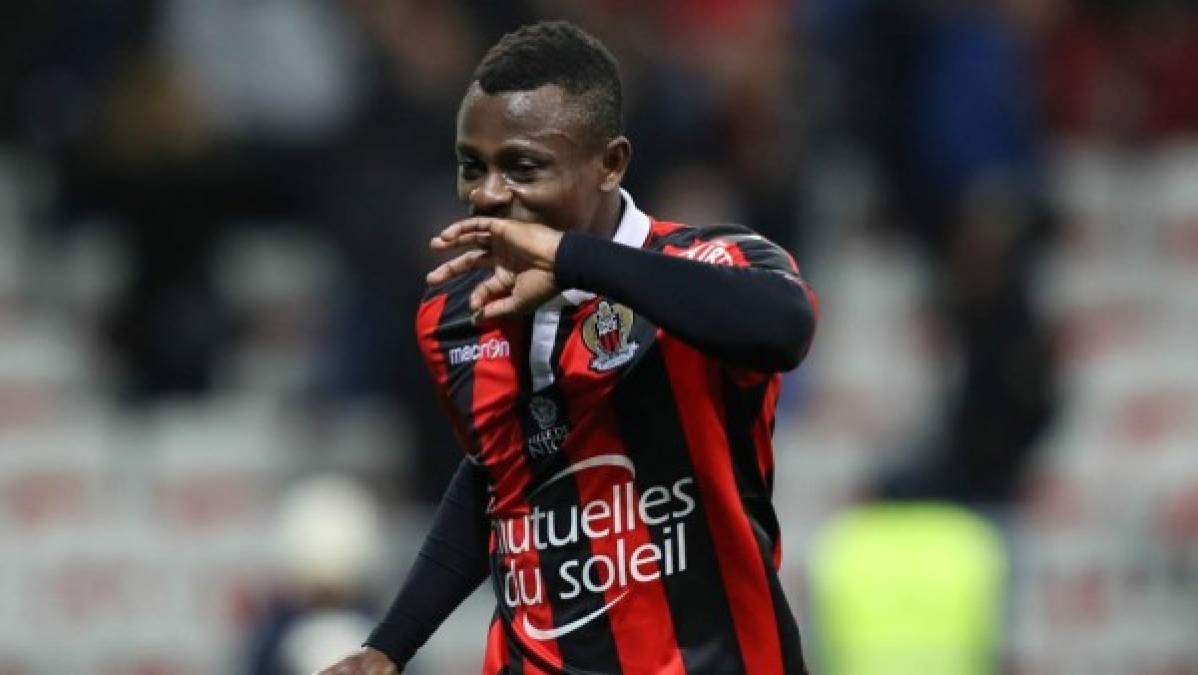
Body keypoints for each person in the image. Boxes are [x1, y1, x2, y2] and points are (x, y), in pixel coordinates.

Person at [318, 20, 817, 675]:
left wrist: (574, 259)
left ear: (610, 163)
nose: (489, 194)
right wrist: (389, 645)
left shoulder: (711, 262)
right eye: (474, 165)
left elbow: (784, 327)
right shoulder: (454, 312)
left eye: (523, 166)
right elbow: (500, 475)